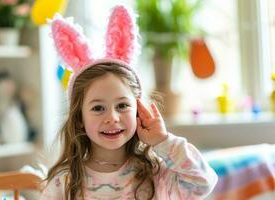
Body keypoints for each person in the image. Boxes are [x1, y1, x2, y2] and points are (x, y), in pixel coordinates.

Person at [40, 5, 217, 200]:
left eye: (122, 106)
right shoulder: (64, 181)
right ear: (80, 117)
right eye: (98, 108)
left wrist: (163, 141)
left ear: (138, 110)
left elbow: (203, 182)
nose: (112, 117)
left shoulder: (156, 172)